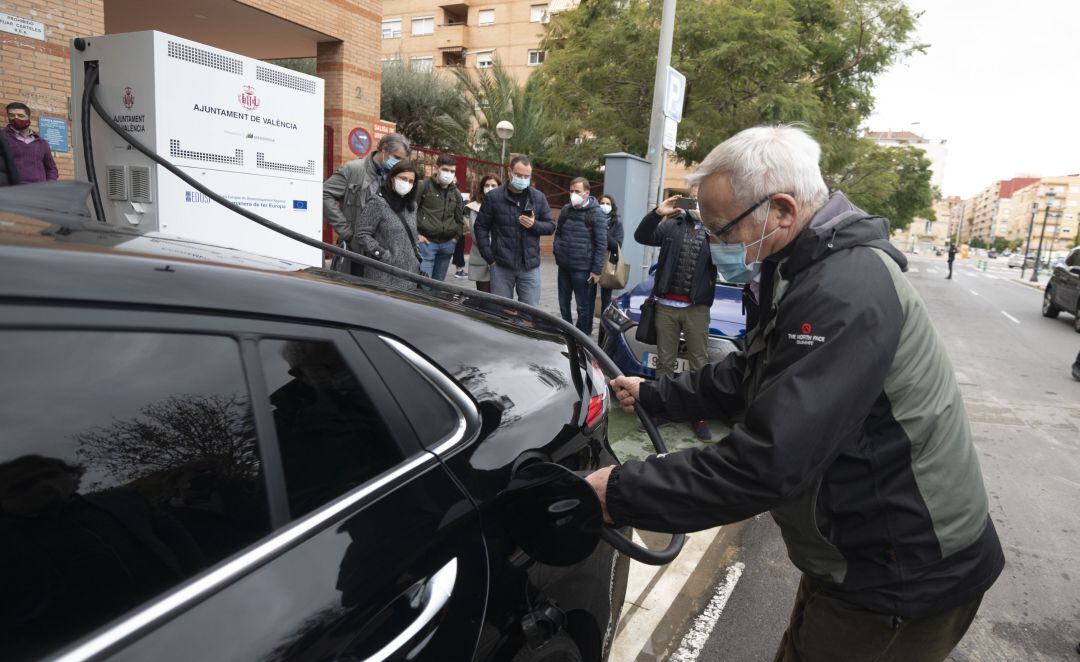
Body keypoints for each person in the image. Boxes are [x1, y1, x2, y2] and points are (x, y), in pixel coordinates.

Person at [587, 125, 1004, 662]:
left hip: (900, 576)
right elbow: (752, 372)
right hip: (856, 560)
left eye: (721, 230)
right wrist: (657, 394)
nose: (715, 246)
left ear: (781, 209)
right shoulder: (804, 266)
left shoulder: (843, 289)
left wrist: (617, 491)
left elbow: (769, 462)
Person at [635, 187, 716, 441]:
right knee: (665, 362)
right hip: (666, 306)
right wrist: (657, 213)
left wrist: (712, 224)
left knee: (699, 363)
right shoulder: (672, 225)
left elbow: (732, 255)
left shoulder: (716, 230)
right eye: (692, 197)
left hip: (697, 308)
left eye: (701, 199)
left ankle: (698, 414)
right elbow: (642, 236)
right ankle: (662, 410)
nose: (695, 203)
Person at [322, 133, 410, 273]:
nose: (399, 163)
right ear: (384, 150)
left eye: (402, 159)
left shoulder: (396, 176)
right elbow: (324, 194)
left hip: (383, 253)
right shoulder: (353, 169)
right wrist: (346, 232)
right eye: (396, 157)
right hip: (356, 250)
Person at [474, 155, 555, 306]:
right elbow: (480, 227)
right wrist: (489, 257)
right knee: (500, 312)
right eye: (519, 175)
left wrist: (534, 225)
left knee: (530, 313)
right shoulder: (494, 197)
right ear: (509, 172)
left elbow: (551, 226)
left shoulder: (538, 197)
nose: (523, 179)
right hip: (501, 266)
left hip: (529, 267)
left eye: (526, 176)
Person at [354, 160, 421, 290]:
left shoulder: (412, 206)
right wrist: (383, 255)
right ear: (392, 178)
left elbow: (409, 233)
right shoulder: (378, 202)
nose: (407, 183)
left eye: (411, 181)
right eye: (403, 178)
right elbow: (361, 233)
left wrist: (416, 255)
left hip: (409, 274)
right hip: (384, 274)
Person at [553, 177, 606, 334]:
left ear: (586, 193)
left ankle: (580, 338)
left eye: (577, 191)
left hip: (583, 269)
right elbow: (559, 232)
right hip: (564, 266)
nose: (573, 194)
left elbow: (601, 243)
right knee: (563, 304)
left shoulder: (596, 213)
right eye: (571, 191)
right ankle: (567, 334)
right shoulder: (566, 210)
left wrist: (596, 270)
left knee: (583, 307)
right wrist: (558, 251)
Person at [416, 154, 465, 282]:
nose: (448, 173)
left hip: (447, 246)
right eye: (445, 169)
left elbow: (460, 219)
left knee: (438, 286)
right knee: (424, 285)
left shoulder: (456, 193)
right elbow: (410, 211)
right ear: (436, 168)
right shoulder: (423, 186)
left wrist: (455, 239)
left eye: (452, 171)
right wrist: (417, 235)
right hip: (426, 244)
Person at [3, 103, 58, 184]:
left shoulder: (41, 143)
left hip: (38, 191)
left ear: (29, 118)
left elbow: (51, 169)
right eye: (12, 115)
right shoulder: (3, 138)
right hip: (12, 191)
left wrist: (49, 185)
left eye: (20, 116)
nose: (16, 118)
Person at [466, 174, 501, 293]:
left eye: (493, 185)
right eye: (487, 185)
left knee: (499, 296)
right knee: (484, 295)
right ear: (482, 188)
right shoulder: (475, 207)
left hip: (501, 258)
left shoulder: (504, 205)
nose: (490, 188)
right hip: (481, 258)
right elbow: (477, 234)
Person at [597, 194, 625, 314]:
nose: (604, 206)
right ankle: (584, 329)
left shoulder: (617, 223)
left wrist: (602, 229)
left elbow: (616, 245)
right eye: (602, 203)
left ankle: (603, 330)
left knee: (606, 300)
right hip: (592, 261)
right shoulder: (592, 219)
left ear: (612, 207)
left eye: (607, 204)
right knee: (587, 297)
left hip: (608, 264)